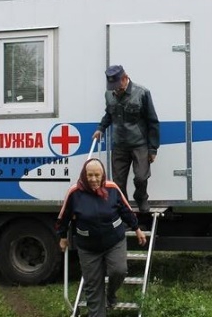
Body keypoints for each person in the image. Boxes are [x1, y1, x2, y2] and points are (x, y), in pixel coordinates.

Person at [56, 158, 147, 317]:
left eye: (97, 175)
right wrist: (63, 236)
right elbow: (64, 217)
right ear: (84, 175)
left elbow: (125, 209)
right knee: (93, 285)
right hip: (88, 247)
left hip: (114, 241)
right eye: (89, 175)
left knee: (119, 271)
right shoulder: (75, 192)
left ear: (103, 174)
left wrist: (136, 228)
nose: (93, 179)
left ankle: (111, 294)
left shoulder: (112, 188)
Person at [92, 65, 160, 213]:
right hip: (119, 145)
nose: (115, 90)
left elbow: (152, 121)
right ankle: (124, 211)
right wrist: (101, 128)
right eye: (112, 87)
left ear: (125, 78)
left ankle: (141, 198)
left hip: (139, 144)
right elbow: (109, 114)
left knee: (141, 178)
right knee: (118, 183)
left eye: (117, 86)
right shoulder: (109, 95)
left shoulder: (142, 93)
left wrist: (153, 148)